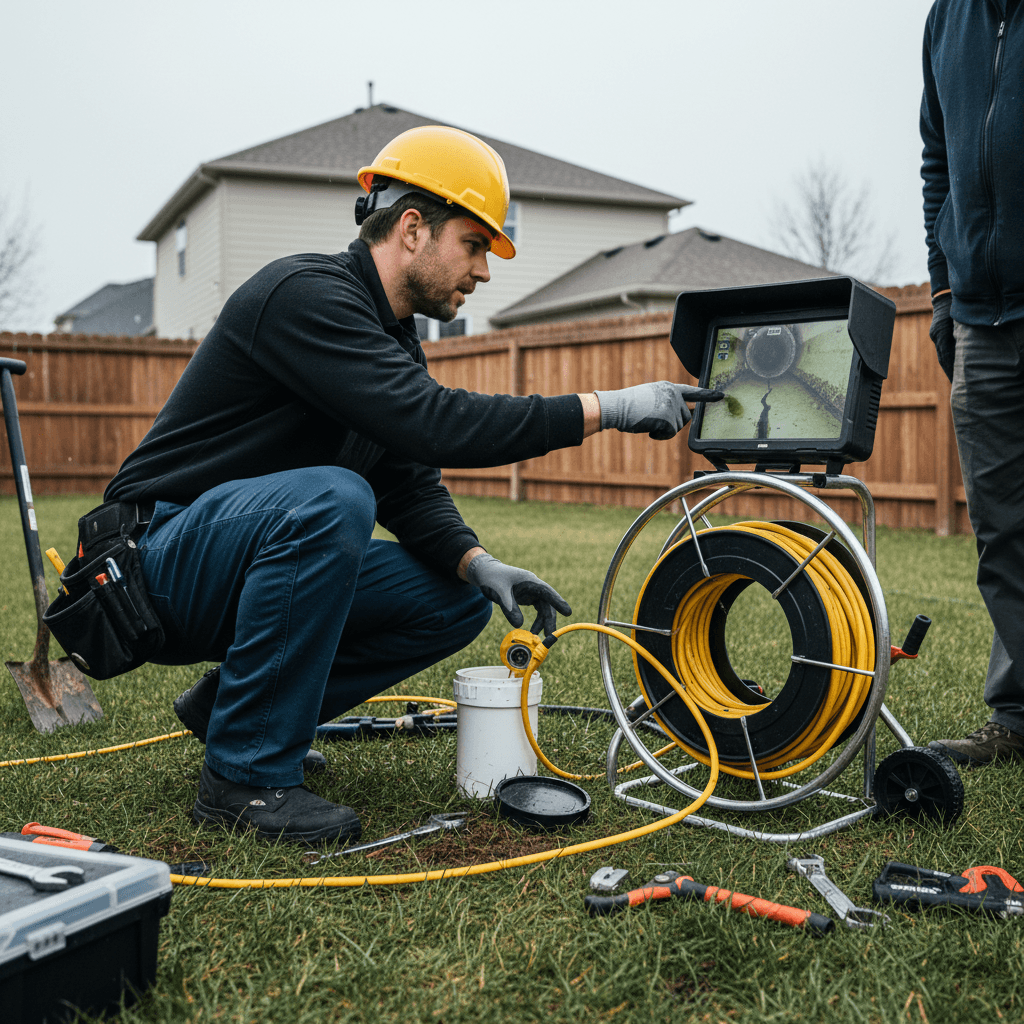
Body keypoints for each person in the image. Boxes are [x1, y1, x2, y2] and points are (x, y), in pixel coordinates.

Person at [98, 125, 720, 842]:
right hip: (151, 562)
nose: (484, 271)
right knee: (333, 497)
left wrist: (479, 564)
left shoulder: (387, 337)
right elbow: (434, 422)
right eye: (476, 245)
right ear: (414, 229)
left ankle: (234, 714)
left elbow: (409, 480)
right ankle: (244, 779)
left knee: (452, 601)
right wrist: (609, 408)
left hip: (231, 564)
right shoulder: (306, 296)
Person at [921, 0, 1024, 766]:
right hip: (979, 317)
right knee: (1002, 529)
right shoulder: (946, 18)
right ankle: (1017, 715)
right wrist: (945, 293)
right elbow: (938, 165)